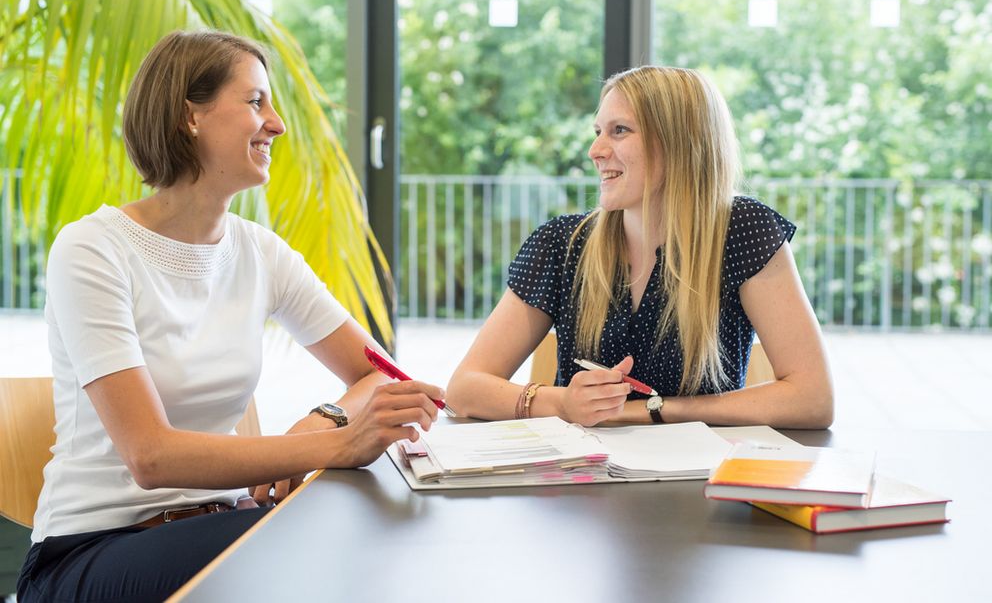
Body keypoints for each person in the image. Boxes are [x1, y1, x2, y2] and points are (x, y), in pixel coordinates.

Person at [16, 30, 444, 603]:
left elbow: (381, 376)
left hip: (214, 528)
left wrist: (323, 419)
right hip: (91, 553)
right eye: (255, 102)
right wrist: (336, 447)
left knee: (332, 530)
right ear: (190, 116)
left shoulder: (260, 252)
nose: (277, 123)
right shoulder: (92, 250)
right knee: (305, 543)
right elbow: (151, 456)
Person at [448, 66, 833, 430]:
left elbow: (813, 399)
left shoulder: (744, 230)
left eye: (619, 131)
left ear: (680, 143)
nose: (595, 150)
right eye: (598, 131)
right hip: (580, 482)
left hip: (697, 481)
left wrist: (651, 410)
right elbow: (465, 388)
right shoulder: (561, 244)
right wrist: (562, 404)